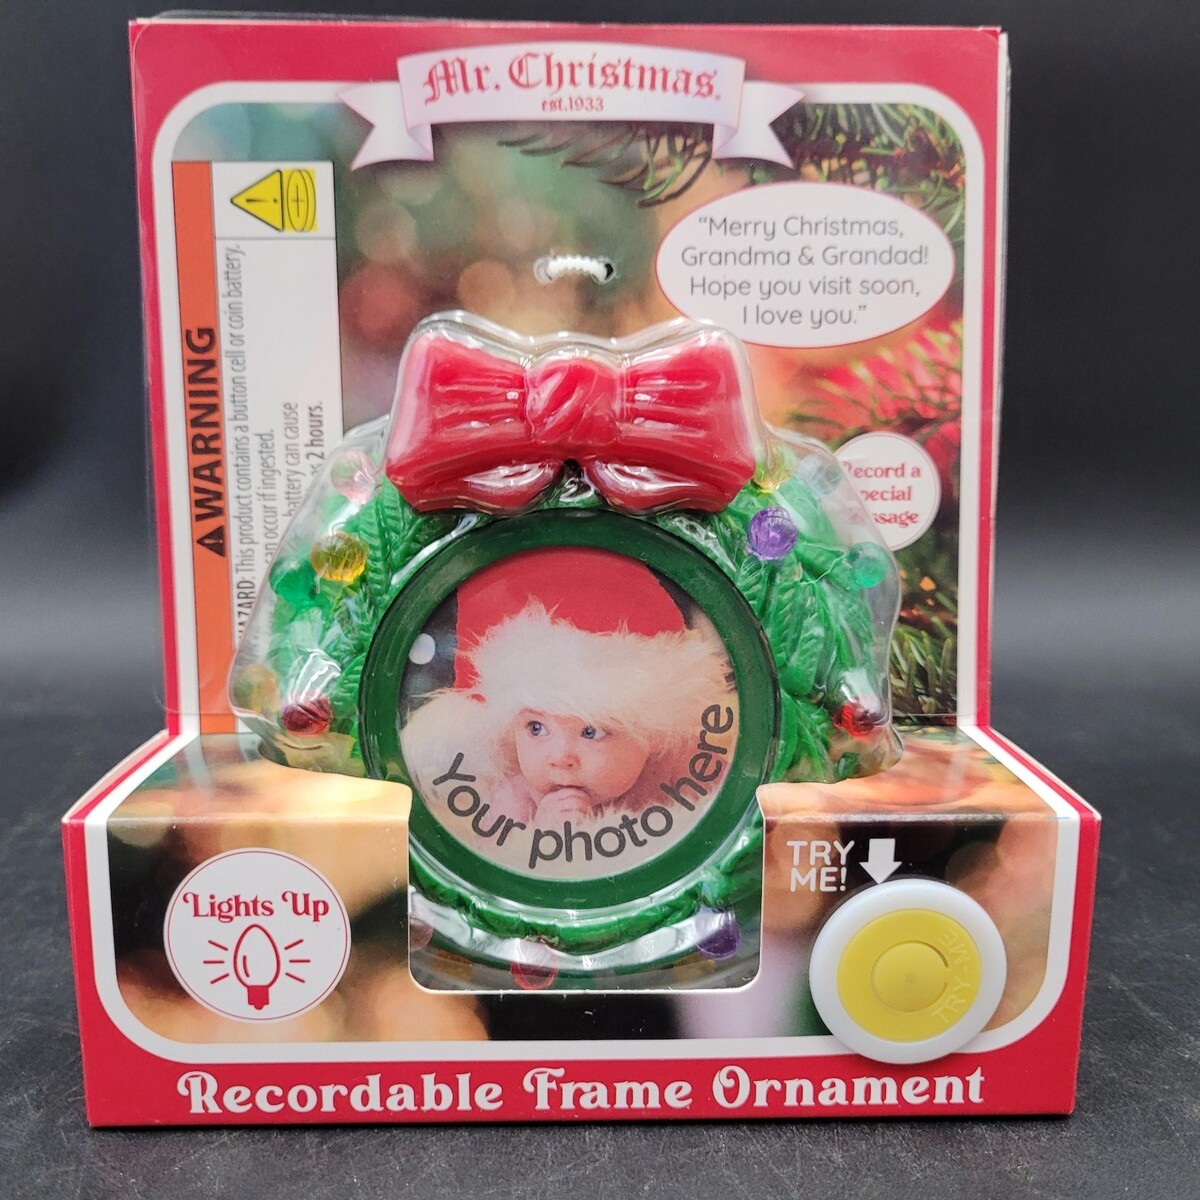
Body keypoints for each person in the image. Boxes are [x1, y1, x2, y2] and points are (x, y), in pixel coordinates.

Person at [401, 547, 737, 839]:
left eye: (591, 732)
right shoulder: (516, 798)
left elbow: (727, 810)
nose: (561, 758)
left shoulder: (672, 776)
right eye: (536, 728)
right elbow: (492, 862)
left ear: (651, 733)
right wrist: (542, 833)